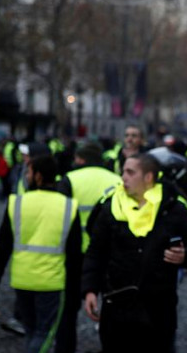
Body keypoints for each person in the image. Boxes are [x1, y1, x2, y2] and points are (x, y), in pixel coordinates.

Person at [81, 154, 187, 352]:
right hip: (116, 307)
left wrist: (185, 256)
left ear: (148, 177)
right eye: (123, 172)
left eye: (130, 172)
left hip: (158, 310)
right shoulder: (111, 205)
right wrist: (89, 290)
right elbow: (96, 252)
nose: (123, 177)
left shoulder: (173, 208)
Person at [0, 154, 82, 353]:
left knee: (31, 332)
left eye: (29, 172)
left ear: (38, 176)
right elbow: (74, 255)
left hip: (22, 281)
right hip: (52, 283)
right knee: (43, 333)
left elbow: (2, 250)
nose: (26, 176)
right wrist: (75, 290)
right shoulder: (67, 206)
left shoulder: (17, 203)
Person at [55, 141, 121, 353]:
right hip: (108, 255)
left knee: (68, 310)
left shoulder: (70, 179)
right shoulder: (117, 180)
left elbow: (59, 218)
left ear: (82, 159)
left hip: (74, 255)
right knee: (112, 309)